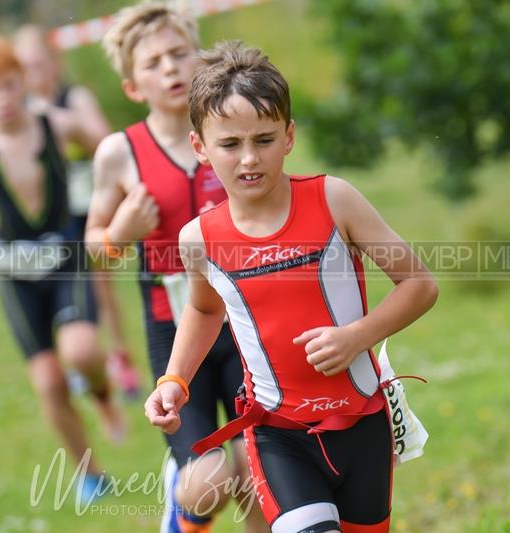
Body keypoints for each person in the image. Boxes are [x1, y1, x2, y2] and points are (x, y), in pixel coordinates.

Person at [144, 41, 439, 533]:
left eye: (263, 139)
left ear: (289, 136)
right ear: (200, 146)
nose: (248, 159)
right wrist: (174, 380)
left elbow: (420, 284)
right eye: (230, 144)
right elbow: (202, 311)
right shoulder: (199, 239)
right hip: (277, 436)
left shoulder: (334, 200)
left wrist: (356, 337)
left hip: (363, 424)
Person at [86, 4, 267, 532]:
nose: (169, 69)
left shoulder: (234, 132)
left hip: (245, 322)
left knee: (261, 470)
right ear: (132, 86)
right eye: (153, 63)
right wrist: (121, 231)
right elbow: (95, 248)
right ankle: (182, 509)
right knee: (212, 475)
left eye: (178, 54)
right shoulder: (119, 154)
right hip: (174, 331)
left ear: (201, 60)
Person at [0, 32, 125, 505]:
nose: (3, 98)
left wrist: (112, 200)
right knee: (48, 380)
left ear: (24, 80)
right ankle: (89, 473)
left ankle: (105, 395)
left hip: (66, 255)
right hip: (15, 269)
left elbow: (112, 152)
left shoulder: (56, 124)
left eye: (10, 84)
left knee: (84, 351)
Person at [13, 24, 141, 399]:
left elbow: (103, 140)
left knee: (99, 286)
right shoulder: (20, 114)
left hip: (89, 206)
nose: (33, 74)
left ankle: (119, 356)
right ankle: (84, 362)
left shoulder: (72, 99)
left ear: (54, 63)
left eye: (39, 64)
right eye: (25, 67)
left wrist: (57, 119)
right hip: (52, 218)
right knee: (65, 290)